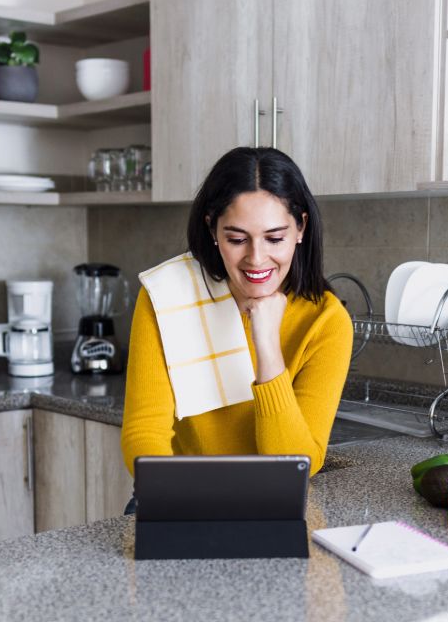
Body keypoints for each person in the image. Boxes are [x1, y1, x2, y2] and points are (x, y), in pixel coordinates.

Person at [120, 147, 353, 485]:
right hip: (178, 497)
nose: (256, 259)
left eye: (274, 238)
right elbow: (144, 430)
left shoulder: (326, 321)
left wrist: (268, 345)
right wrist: (174, 502)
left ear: (300, 227)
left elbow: (298, 463)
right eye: (237, 239)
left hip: (273, 505)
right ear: (212, 229)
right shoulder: (166, 296)